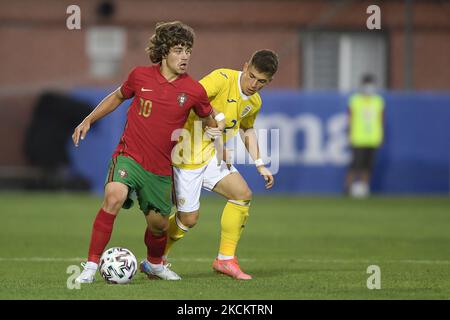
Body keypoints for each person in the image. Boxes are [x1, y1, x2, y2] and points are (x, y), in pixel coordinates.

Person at [73, 21, 224, 283]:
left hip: (160, 168)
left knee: (159, 225)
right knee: (113, 196)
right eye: (179, 49)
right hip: (130, 156)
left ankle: (154, 264)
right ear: (164, 51)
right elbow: (118, 96)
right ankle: (89, 266)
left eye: (188, 50)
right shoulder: (139, 76)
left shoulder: (194, 90)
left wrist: (216, 136)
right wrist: (89, 118)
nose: (185, 56)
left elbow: (210, 120)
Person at [164, 50, 279, 280]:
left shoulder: (254, 101)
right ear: (245, 66)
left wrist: (260, 164)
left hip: (213, 156)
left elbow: (247, 129)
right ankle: (156, 258)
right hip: (187, 153)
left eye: (262, 82)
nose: (255, 84)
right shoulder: (222, 78)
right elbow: (193, 96)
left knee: (242, 194)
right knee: (188, 219)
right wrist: (215, 124)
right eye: (252, 76)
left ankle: (225, 260)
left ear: (270, 81)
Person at [344, 73, 385, 198]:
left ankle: (364, 189)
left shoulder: (378, 101)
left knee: (368, 166)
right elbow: (350, 118)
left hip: (373, 138)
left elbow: (381, 119)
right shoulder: (355, 100)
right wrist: (349, 134)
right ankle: (347, 189)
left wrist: (380, 136)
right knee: (355, 165)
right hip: (358, 138)